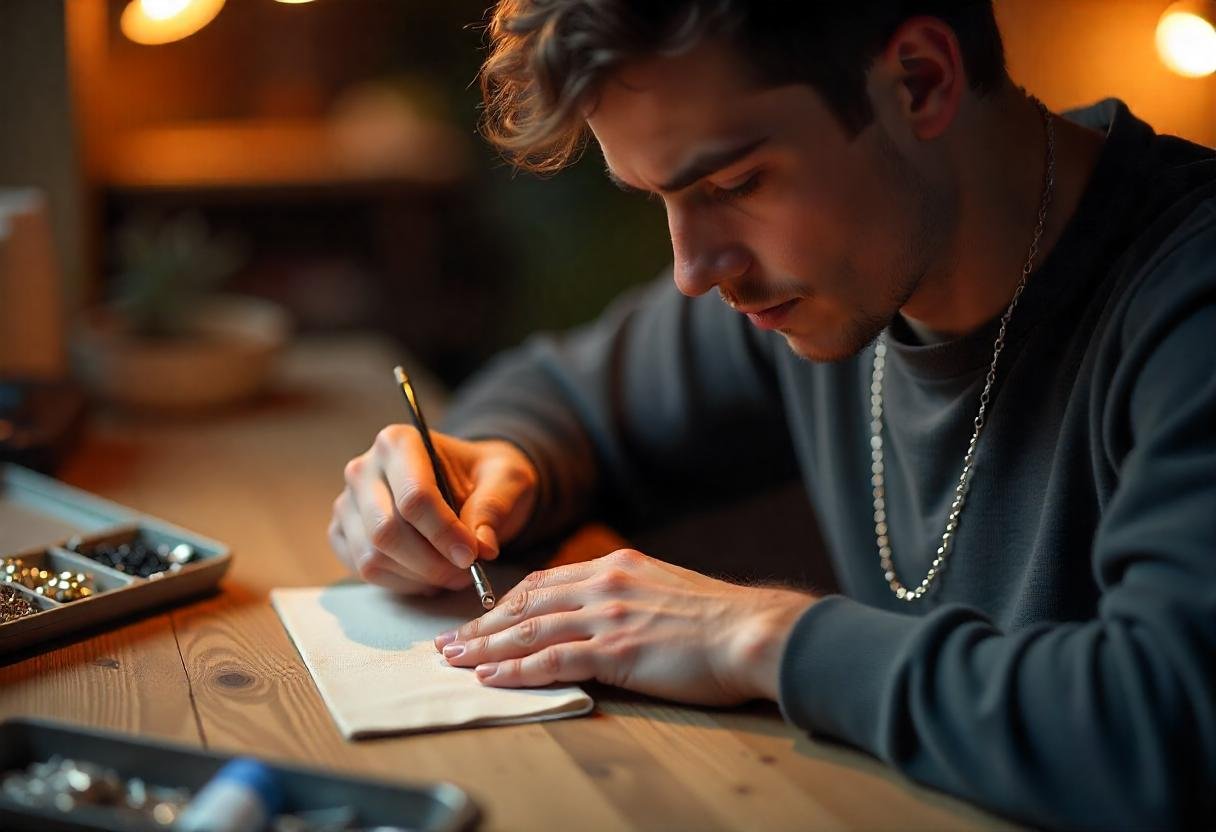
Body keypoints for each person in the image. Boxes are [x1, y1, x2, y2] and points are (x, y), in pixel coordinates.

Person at [328, 2, 1216, 827]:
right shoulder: (830, 279)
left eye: (735, 182)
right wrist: (489, 462)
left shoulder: (1186, 300)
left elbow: (1166, 724)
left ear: (920, 81)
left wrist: (753, 633)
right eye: (657, 199)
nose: (693, 269)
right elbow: (557, 393)